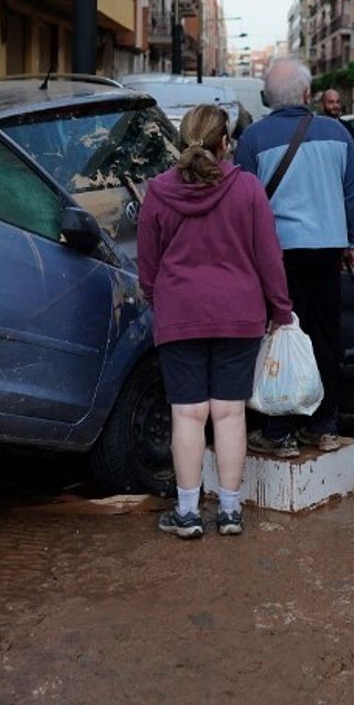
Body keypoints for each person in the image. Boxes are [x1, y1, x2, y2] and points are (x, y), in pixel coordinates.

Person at [136, 104, 295, 539]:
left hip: (180, 312)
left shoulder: (157, 192)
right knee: (228, 414)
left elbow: (146, 264)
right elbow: (269, 257)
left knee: (187, 414)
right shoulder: (246, 189)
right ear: (226, 143)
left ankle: (187, 514)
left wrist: (159, 296)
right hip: (238, 314)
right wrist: (281, 310)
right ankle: (229, 512)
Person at [235, 57, 354, 456]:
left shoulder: (253, 139)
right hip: (328, 249)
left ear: (267, 99)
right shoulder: (337, 133)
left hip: (276, 255)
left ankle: (278, 431)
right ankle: (324, 425)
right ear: (308, 95)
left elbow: (243, 202)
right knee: (325, 337)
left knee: (280, 335)